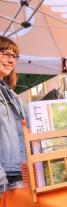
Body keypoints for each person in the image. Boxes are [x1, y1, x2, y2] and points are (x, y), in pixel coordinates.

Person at [0, 36, 27, 196]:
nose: (11, 60)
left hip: (18, 176)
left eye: (14, 56)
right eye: (5, 54)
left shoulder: (11, 94)